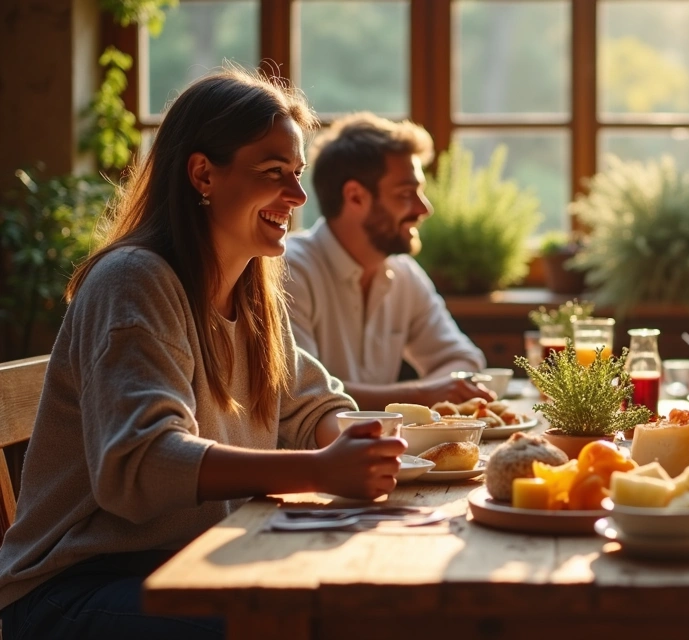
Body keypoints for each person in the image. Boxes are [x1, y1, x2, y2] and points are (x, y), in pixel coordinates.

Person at [0, 68, 407, 638]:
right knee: (306, 626)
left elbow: (310, 406)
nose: (296, 196)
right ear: (203, 174)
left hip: (193, 561)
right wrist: (320, 469)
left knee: (363, 603)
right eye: (273, 172)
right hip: (77, 586)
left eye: (296, 174)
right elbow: (142, 463)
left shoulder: (252, 290)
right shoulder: (134, 281)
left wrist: (359, 443)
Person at [284, 112, 491, 411]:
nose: (424, 208)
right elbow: (301, 392)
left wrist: (434, 393)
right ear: (355, 197)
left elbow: (462, 359)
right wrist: (422, 396)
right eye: (406, 193)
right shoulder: (289, 270)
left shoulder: (404, 274)